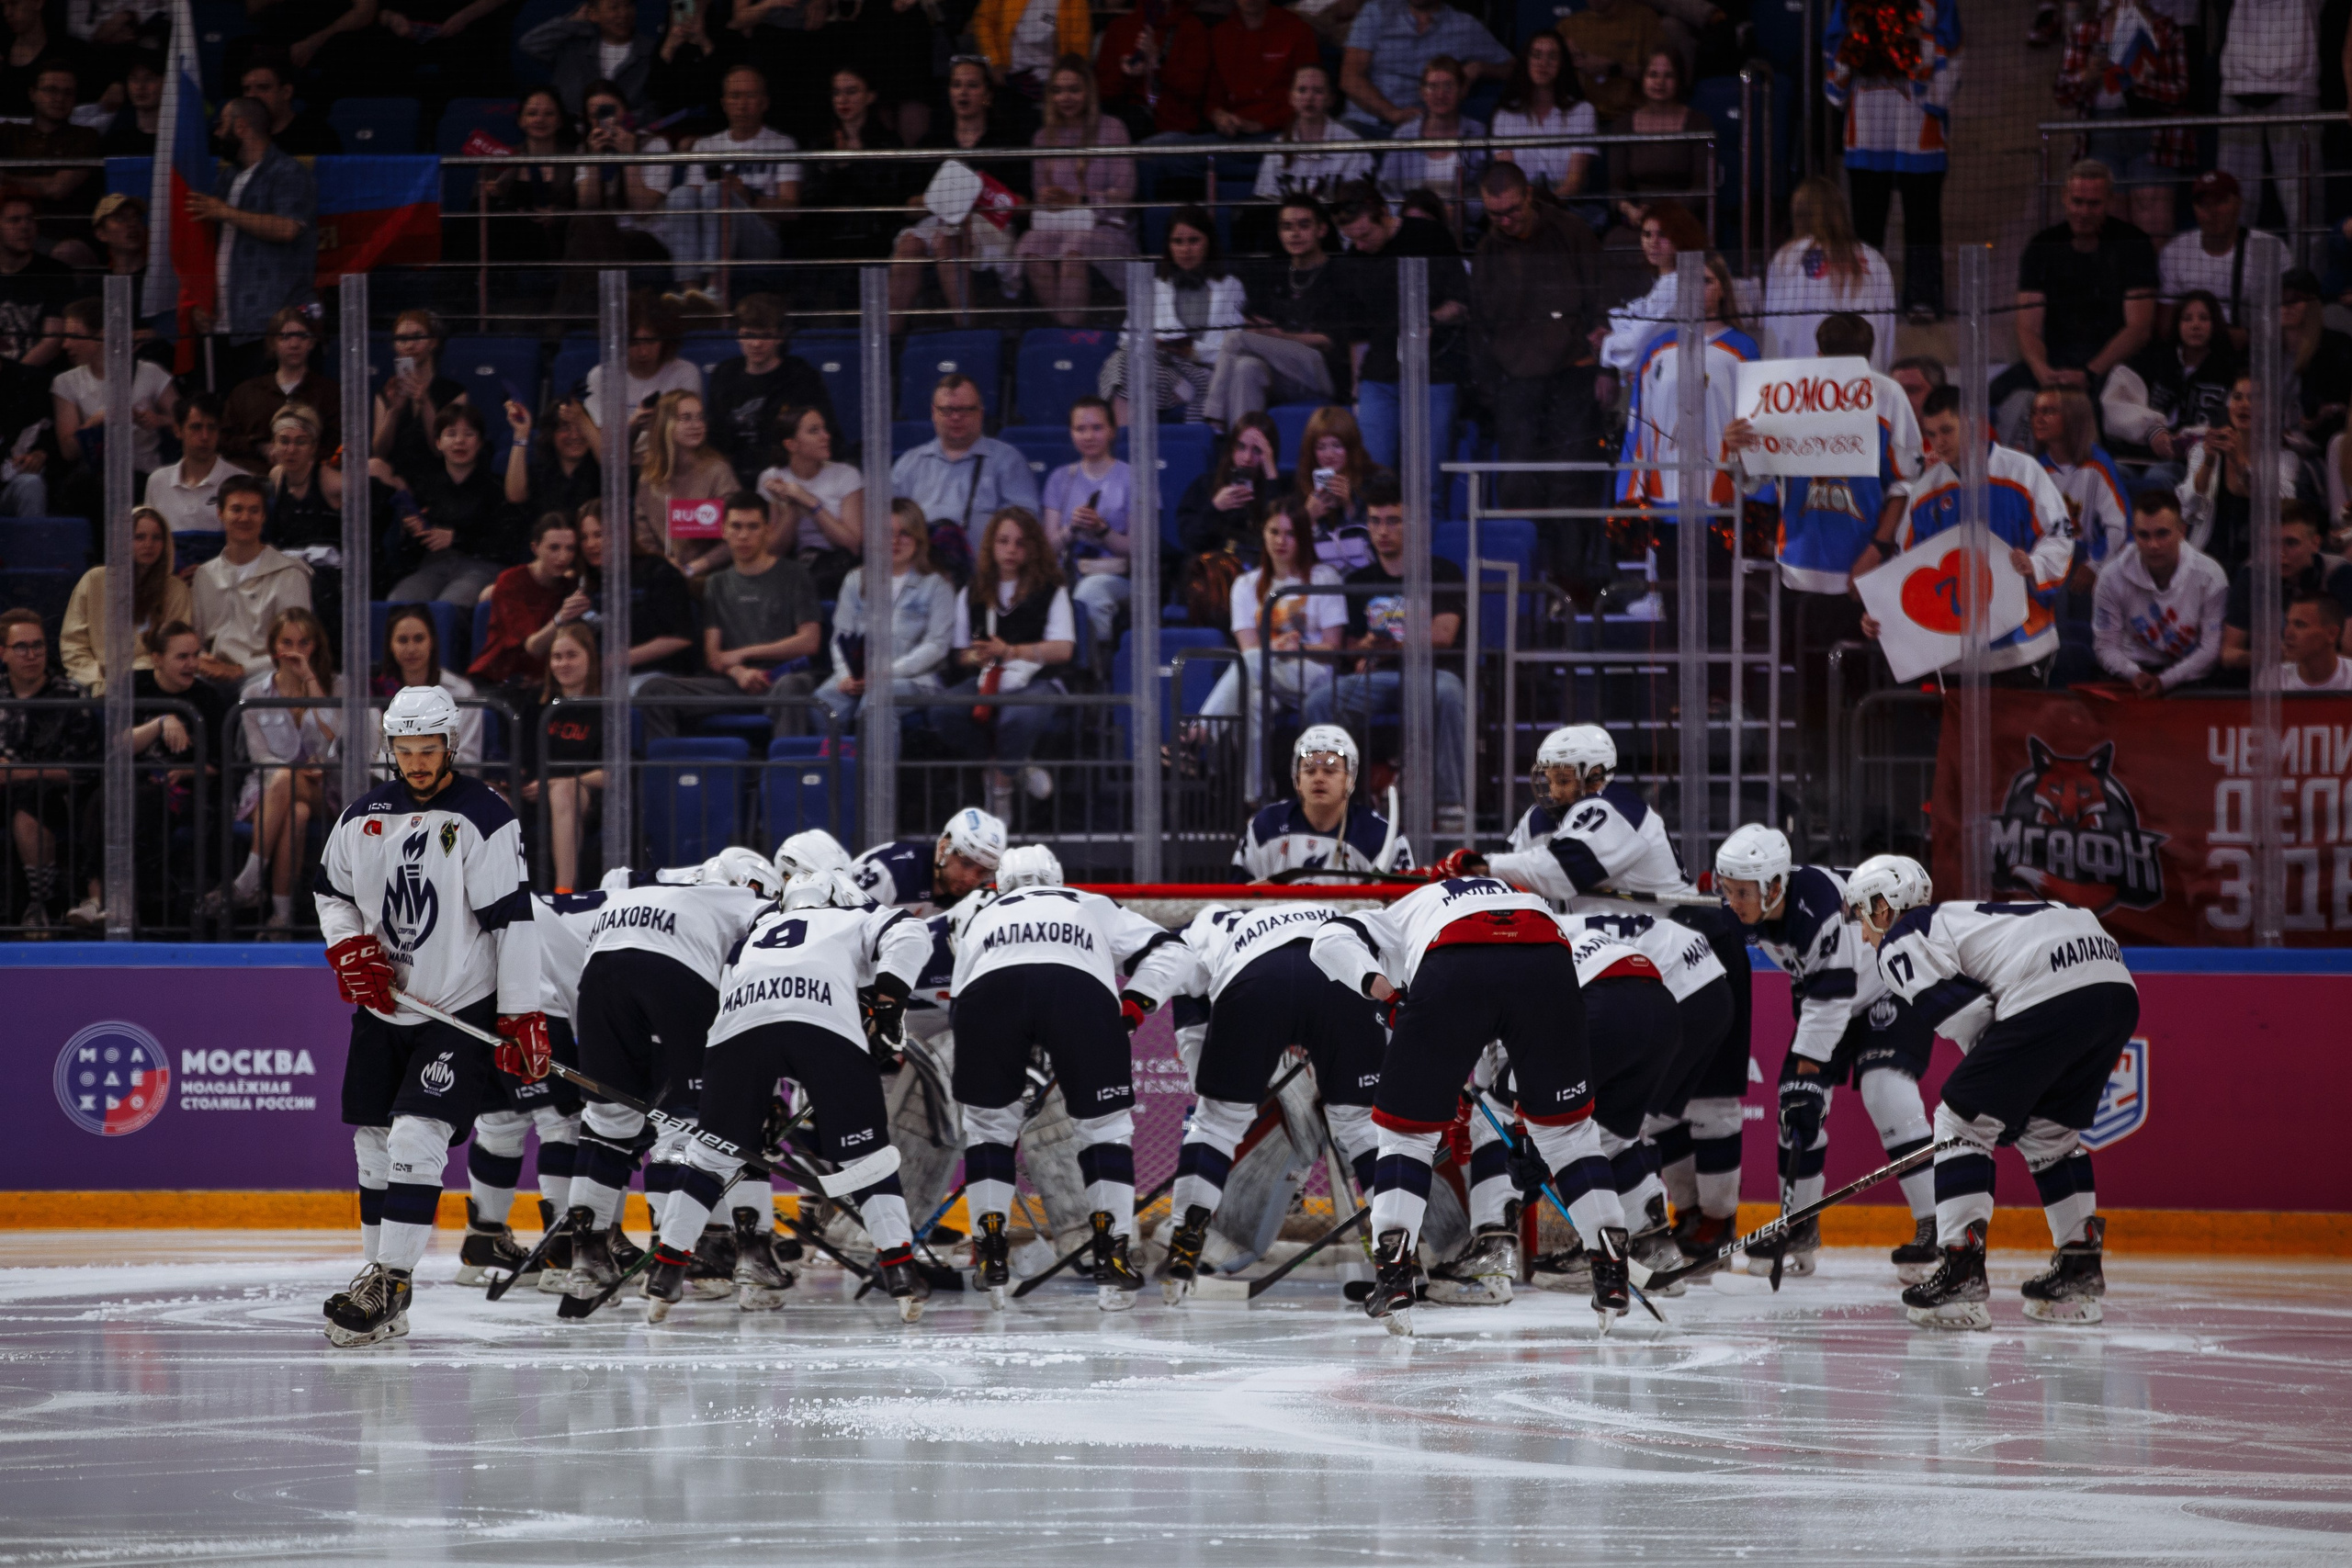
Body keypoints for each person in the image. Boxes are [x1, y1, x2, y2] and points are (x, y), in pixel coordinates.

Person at [1456, 721, 1747, 1267]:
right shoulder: (1537, 824)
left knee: (1519, 1104)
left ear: (1596, 776)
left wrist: (1482, 868)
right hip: (1651, 975)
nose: (1552, 789)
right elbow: (1530, 892)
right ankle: (1651, 1245)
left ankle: (1493, 1246)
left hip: (1666, 972)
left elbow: (1561, 873)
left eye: (1564, 777)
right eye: (1545, 777)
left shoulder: (1613, 806)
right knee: (1608, 1124)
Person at [313, 682, 544, 1346]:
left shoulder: (485, 815)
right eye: (405, 750)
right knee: (373, 1144)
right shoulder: (363, 816)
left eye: (428, 749)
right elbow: (331, 892)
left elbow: (513, 921)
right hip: (385, 1008)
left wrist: (521, 1015)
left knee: (417, 1134)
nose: (416, 762)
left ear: (452, 744)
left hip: (457, 1006)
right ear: (391, 747)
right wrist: (349, 945)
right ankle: (382, 1278)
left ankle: (391, 1280)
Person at [1308, 870, 1628, 1332]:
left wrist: (1386, 994)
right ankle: (1610, 1263)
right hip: (1548, 954)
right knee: (1568, 1134)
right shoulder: (1510, 894)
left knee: (1406, 1137)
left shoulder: (1400, 911)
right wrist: (1525, 1130)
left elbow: (1328, 940)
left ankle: (1395, 1274)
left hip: (1455, 955)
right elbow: (1505, 1046)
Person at [1848, 854, 2138, 1331]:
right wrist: (2015, 1100)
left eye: (1862, 916)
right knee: (2051, 1133)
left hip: (2051, 987)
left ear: (1882, 907)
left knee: (1960, 1120)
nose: (1863, 934)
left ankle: (1961, 1272)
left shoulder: (1901, 937)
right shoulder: (1957, 918)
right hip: (2113, 985)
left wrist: (2001, 1103)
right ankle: (2079, 1269)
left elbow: (1970, 1018)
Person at [645, 862, 934, 1319]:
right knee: (867, 1158)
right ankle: (899, 1270)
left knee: (710, 1157)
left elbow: (735, 1001)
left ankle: (666, 1270)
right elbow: (913, 934)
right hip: (821, 1023)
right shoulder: (851, 916)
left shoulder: (753, 937)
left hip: (736, 1030)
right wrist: (888, 999)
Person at [1123, 892, 1383, 1303]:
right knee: (1362, 1125)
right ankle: (1399, 1251)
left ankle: (1187, 1235)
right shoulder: (1334, 912)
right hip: (1337, 982)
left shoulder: (1199, 928)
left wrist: (1217, 1091)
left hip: (1256, 982)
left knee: (1215, 1124)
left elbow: (1193, 1019)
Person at [1713, 825, 1941, 1283]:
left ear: (1774, 886)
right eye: (1727, 890)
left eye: (1741, 892)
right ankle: (1798, 1225)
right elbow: (1823, 997)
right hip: (1829, 994)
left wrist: (1807, 1075)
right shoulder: (1751, 908)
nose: (1732, 901)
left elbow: (1831, 1002)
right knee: (1795, 1112)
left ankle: (1938, 1226)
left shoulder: (1816, 910)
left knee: (1885, 1090)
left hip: (1889, 985)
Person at [948, 843, 1171, 1311]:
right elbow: (1172, 950)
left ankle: (990, 1251)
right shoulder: (1086, 901)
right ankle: (1113, 1253)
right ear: (1056, 876)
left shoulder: (978, 913)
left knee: (988, 1127)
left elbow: (960, 987)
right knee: (1106, 1129)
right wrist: (1137, 1005)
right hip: (1077, 989)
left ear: (1000, 882)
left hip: (986, 992)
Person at [1861, 386, 2075, 681]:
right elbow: (1905, 566)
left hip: (2022, 644)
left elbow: (2059, 534)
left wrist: (2035, 565)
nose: (1939, 442)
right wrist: (1882, 615)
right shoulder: (1925, 491)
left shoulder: (2023, 472)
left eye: (1947, 430)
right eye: (1932, 434)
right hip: (1952, 654)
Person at [1295, 473, 1466, 828]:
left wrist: (1385, 647)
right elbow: (1348, 644)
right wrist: (1366, 648)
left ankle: (1450, 805)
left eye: (1392, 521)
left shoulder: (1442, 571)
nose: (1382, 531)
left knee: (1449, 692)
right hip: (1375, 677)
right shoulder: (1358, 581)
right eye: (1374, 521)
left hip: (1426, 674)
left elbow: (1444, 634)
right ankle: (1336, 804)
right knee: (1319, 702)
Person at [1728, 312, 1920, 599]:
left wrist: (1877, 549)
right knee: (1813, 644)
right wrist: (1737, 449)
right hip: (1797, 566)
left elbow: (1906, 484)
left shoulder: (1887, 395)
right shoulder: (1783, 394)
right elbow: (1753, 481)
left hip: (1864, 568)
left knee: (1841, 647)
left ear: (1818, 354)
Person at [1469, 162, 1600, 524]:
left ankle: (1571, 575)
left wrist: (1603, 367)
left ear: (1529, 195)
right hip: (1515, 380)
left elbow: (1599, 300)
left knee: (1570, 478)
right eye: (1495, 214)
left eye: (1512, 210)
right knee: (1517, 481)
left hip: (1573, 371)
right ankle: (1523, 569)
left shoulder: (1571, 231)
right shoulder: (1486, 251)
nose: (1506, 221)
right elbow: (1480, 323)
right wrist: (1490, 389)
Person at [1995, 161, 2159, 446]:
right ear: (2064, 198)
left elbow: (2139, 328)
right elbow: (2028, 326)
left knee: (2095, 413)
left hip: (2112, 365)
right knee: (1995, 394)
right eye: (2077, 202)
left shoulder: (2133, 244)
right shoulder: (2042, 247)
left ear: (2109, 201)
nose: (2083, 212)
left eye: (2093, 204)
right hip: (2055, 362)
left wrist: (2090, 373)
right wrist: (2042, 371)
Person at [639, 492, 822, 741]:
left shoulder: (795, 574)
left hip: (782, 677)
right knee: (653, 690)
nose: (744, 535)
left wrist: (746, 653)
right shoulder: (717, 583)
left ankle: (786, 774)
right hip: (733, 682)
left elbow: (809, 641)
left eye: (753, 527)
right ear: (723, 530)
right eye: (736, 526)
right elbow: (713, 656)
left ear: (768, 530)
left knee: (791, 686)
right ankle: (666, 775)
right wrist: (739, 671)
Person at [1824, 0, 1958, 324]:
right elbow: (1834, 48)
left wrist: (1915, 41)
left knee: (1922, 218)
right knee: (1867, 221)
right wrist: (1857, 45)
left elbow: (1953, 48)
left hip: (1917, 126)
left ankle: (1923, 296)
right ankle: (1866, 298)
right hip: (1868, 128)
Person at [1197, 498, 1345, 792]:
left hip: (1313, 674)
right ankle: (1257, 798)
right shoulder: (1245, 585)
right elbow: (1248, 647)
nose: (1281, 541)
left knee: (1250, 663)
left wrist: (1298, 649)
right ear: (1263, 535)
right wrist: (1278, 646)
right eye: (1274, 532)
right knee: (1253, 701)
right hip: (1267, 673)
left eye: (1290, 534)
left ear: (1303, 537)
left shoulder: (1323, 577)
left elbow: (1333, 648)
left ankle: (1199, 734)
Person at [933, 505, 1076, 806]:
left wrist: (1010, 651)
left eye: (1020, 543)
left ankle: (1000, 787)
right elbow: (960, 655)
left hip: (1038, 678)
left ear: (1033, 548)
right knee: (943, 712)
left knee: (1017, 716)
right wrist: (978, 657)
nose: (1011, 550)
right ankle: (1013, 766)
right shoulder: (972, 591)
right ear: (991, 545)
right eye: (1003, 541)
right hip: (987, 678)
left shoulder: (1051, 589)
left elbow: (1063, 649)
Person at [1327, 180, 1468, 477]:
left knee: (1429, 477)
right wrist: (1356, 394)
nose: (1361, 245)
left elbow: (1462, 302)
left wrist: (1430, 319)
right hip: (1379, 377)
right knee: (1374, 476)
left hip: (1434, 373)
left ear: (1383, 213)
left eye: (1366, 235)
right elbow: (1358, 336)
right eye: (1353, 239)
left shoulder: (1430, 236)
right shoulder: (1354, 261)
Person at [891, 58, 1030, 331]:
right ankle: (884, 343)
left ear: (988, 95)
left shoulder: (1007, 141)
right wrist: (940, 199)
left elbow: (1024, 204)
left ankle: (967, 333)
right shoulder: (931, 142)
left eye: (972, 86)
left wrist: (977, 198)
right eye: (957, 85)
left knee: (948, 240)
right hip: (940, 219)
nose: (963, 92)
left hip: (989, 226)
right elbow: (910, 207)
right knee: (909, 245)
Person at [187, 95, 315, 381]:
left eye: (222, 126)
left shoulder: (287, 172)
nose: (217, 134)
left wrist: (226, 212)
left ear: (241, 126)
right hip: (223, 320)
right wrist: (201, 301)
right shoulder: (228, 177)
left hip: (267, 322)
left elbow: (287, 228)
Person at [1614, 251, 1755, 513]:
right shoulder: (1656, 350)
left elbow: (1756, 426)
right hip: (1663, 498)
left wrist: (1760, 499)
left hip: (1724, 503)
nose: (1696, 289)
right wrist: (1629, 495)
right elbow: (1638, 427)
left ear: (1723, 289)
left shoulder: (1743, 349)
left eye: (1706, 281)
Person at [234, 605, 340, 933]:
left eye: (305, 642)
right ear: (274, 647)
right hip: (267, 790)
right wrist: (295, 773)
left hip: (326, 788)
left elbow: (336, 737)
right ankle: (281, 918)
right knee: (296, 812)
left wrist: (310, 679)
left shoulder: (337, 687)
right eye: (288, 642)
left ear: (316, 646)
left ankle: (249, 879)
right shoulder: (253, 693)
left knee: (291, 788)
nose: (296, 651)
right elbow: (259, 756)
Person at [1014, 56, 1137, 328]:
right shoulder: (1043, 137)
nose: (1065, 98)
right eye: (1057, 91)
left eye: (1073, 90)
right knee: (1031, 248)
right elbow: (1039, 197)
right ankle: (1067, 331)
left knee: (1074, 250)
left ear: (1089, 92)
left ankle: (1068, 334)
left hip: (1105, 227)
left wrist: (1080, 200)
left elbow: (1124, 195)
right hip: (1056, 225)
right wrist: (1045, 200)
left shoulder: (1112, 129)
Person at [1098, 206, 1247, 426]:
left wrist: (1192, 352)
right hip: (1159, 369)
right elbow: (1127, 340)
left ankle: (1181, 390)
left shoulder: (1230, 286)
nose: (1185, 249)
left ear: (1208, 243)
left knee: (1129, 368)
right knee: (1120, 361)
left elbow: (1232, 345)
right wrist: (1158, 348)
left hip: (1205, 372)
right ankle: (1124, 445)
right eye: (1178, 241)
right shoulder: (1151, 287)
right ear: (1169, 246)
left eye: (1193, 240)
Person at [662, 64, 800, 299]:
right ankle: (691, 292)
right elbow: (691, 196)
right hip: (710, 231)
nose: (742, 104)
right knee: (679, 195)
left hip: (760, 238)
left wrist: (747, 196)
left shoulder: (783, 144)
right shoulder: (705, 146)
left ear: (764, 103)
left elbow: (791, 210)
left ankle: (716, 287)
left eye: (750, 96)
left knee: (719, 191)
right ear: (724, 104)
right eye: (735, 96)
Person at [123, 619, 229, 929]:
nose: (192, 664)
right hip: (132, 785)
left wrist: (183, 771)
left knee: (148, 804)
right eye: (182, 657)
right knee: (106, 799)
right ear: (157, 658)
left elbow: (218, 764)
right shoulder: (134, 685)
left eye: (196, 655)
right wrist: (161, 721)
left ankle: (155, 908)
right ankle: (99, 900)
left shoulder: (208, 698)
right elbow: (118, 747)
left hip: (189, 793)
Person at [815, 498, 956, 729]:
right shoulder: (855, 580)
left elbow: (937, 646)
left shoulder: (937, 585)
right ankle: (842, 764)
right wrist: (845, 676)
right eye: (887, 533)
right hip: (861, 676)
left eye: (905, 534)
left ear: (918, 539)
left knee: (877, 702)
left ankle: (875, 767)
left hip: (917, 679)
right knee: (824, 704)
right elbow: (841, 636)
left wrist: (886, 673)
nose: (895, 541)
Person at [0, 605, 96, 931]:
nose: (32, 654)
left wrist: (17, 772)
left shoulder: (68, 697)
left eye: (38, 645)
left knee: (28, 801)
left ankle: (41, 904)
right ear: (3, 653)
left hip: (55, 797)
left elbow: (81, 771)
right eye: (21, 647)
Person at [1230, 722, 1411, 879]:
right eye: (1309, 770)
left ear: (1350, 779)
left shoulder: (1381, 835)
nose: (1319, 778)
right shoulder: (1265, 826)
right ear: (1297, 779)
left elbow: (1403, 909)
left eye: (1330, 770)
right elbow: (1238, 900)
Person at [2092, 491, 2229, 694]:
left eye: (2162, 534)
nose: (2153, 545)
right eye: (2143, 535)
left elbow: (2210, 650)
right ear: (2133, 533)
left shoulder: (2210, 576)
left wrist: (2165, 681)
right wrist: (2135, 674)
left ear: (2182, 531)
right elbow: (2105, 646)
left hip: (2190, 678)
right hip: (2131, 673)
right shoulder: (2111, 577)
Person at [889, 373, 1041, 553]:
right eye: (946, 410)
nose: (955, 418)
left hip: (985, 574)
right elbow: (886, 524)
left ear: (981, 413)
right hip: (922, 573)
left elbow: (1027, 524)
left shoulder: (1008, 461)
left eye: (965, 410)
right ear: (933, 413)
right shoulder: (909, 464)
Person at [383, 404, 516, 606]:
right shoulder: (426, 487)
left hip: (481, 566)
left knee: (448, 607)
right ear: (438, 442)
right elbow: (408, 552)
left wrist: (456, 538)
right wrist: (413, 531)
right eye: (451, 434)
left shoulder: (497, 487)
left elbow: (504, 544)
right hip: (433, 565)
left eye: (468, 434)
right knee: (399, 603)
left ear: (480, 442)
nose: (459, 441)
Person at [2179, 375, 2315, 568]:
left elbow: (2282, 506)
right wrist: (2209, 463)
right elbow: (2188, 508)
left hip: (2261, 561)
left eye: (2254, 399)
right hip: (2208, 557)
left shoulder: (2284, 459)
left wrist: (2239, 462)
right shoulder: (2203, 451)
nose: (2244, 405)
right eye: (2237, 397)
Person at [2212, 0, 2318, 243]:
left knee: (2302, 203)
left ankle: (2308, 277)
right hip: (2238, 83)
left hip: (2297, 83)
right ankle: (2232, 276)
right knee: (2233, 199)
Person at [1763, 175, 1896, 367]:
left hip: (1803, 380)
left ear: (1799, 214)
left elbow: (1774, 329)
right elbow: (1887, 331)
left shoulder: (1788, 258)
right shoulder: (1874, 259)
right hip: (1862, 376)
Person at [191, 474, 312, 683]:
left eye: (254, 510)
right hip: (213, 673)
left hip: (267, 673)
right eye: (237, 509)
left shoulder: (289, 574)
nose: (245, 518)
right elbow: (197, 640)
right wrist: (203, 660)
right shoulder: (205, 575)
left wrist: (240, 670)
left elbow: (297, 648)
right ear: (220, 513)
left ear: (264, 516)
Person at [2101, 288, 2237, 475]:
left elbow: (2229, 425)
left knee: (2160, 474)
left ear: (2215, 324)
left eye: (2204, 318)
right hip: (2140, 457)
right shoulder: (2153, 361)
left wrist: (2185, 441)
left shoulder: (2229, 370)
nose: (2195, 325)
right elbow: (2116, 403)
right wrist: (2152, 431)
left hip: (2199, 465)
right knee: (2112, 471)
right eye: (2187, 319)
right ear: (2177, 324)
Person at [59, 505, 190, 694]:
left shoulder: (176, 589)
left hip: (148, 680)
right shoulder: (94, 580)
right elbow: (73, 644)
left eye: (156, 537)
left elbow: (175, 648)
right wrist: (96, 681)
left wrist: (129, 679)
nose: (148, 544)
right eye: (139, 537)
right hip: (91, 681)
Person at [1039, 396, 1132, 649]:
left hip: (1117, 575)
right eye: (1080, 429)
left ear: (1112, 431)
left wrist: (1101, 530)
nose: (1088, 436)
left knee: (1091, 592)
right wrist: (1072, 529)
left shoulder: (1132, 477)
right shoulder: (1060, 478)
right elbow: (1047, 550)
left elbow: (1138, 549)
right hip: (1067, 572)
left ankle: (1095, 668)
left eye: (1097, 428)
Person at [575, 500, 700, 687]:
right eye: (584, 538)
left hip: (655, 676)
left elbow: (680, 638)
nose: (591, 544)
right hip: (600, 678)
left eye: (599, 535)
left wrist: (614, 662)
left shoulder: (658, 571)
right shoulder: (586, 583)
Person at [703, 294, 830, 477]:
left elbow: (820, 434)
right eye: (749, 335)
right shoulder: (724, 375)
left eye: (765, 335)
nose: (756, 343)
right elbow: (715, 439)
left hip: (788, 474)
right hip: (734, 475)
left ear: (780, 336)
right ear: (738, 335)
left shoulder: (800, 376)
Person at [1339, 0, 1510, 132]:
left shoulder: (1464, 26)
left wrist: (1481, 67)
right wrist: (1393, 114)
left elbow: (1515, 67)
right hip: (1362, 125)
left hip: (1419, 131)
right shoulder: (1376, 12)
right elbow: (1350, 78)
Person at [2157, 172, 2287, 345]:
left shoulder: (2270, 247)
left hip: (2251, 351)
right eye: (2204, 205)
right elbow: (2166, 325)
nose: (2213, 212)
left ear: (2239, 203)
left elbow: (2288, 317)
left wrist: (2246, 337)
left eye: (2221, 202)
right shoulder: (2176, 250)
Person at [51, 293, 171, 480]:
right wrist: (97, 421)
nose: (65, 345)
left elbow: (184, 422)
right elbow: (68, 451)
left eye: (74, 336)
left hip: (146, 476)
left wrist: (159, 420)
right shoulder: (66, 382)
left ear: (101, 336)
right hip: (95, 480)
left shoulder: (150, 372)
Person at [2218, 507, 2352, 671]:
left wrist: (2310, 660)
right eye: (2271, 543)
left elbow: (2350, 651)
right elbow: (2228, 654)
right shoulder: (2251, 575)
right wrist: (2274, 656)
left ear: (2315, 543)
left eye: (2291, 543)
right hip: (2270, 681)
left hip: (2328, 682)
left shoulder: (2338, 572)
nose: (2280, 553)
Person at [526, 621, 605, 892]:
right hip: (532, 794)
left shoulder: (604, 708)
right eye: (557, 657)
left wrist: (551, 783)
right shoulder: (536, 705)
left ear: (590, 659)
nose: (563, 664)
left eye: (572, 655)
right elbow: (519, 760)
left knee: (562, 790)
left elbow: (612, 771)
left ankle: (564, 892)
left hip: (584, 796)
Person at [756, 403, 862, 599]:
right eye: (814, 431)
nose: (826, 436)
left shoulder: (846, 475)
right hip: (796, 563)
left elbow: (852, 545)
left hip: (838, 565)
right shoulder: (771, 479)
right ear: (791, 444)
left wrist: (810, 502)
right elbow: (771, 550)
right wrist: (792, 506)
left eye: (824, 429)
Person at [1600, 49, 1710, 235]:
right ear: (1642, 79)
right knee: (1615, 241)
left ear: (1679, 81)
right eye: (1653, 74)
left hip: (1683, 219)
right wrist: (1630, 210)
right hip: (1639, 220)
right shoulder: (1622, 126)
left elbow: (1701, 188)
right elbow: (1616, 188)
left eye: (1668, 76)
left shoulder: (1698, 123)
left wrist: (1664, 213)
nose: (1659, 82)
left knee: (1690, 251)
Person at [634, 389, 741, 581]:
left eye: (700, 418)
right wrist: (666, 564)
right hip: (665, 577)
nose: (697, 425)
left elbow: (736, 536)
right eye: (686, 418)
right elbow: (645, 541)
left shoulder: (718, 472)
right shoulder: (649, 479)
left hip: (714, 577)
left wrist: (692, 568)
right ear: (665, 424)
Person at [259, 403, 343, 638]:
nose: (291, 449)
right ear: (274, 445)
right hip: (287, 565)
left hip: (326, 571)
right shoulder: (276, 476)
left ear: (313, 447)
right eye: (284, 441)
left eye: (300, 442)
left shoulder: (330, 481)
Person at [470, 512, 580, 691]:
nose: (563, 557)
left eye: (570, 549)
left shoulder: (569, 586)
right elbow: (533, 647)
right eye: (554, 548)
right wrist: (562, 618)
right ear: (535, 548)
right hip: (499, 680)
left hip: (545, 683)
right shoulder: (511, 581)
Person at [576, 291, 701, 448]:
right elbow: (601, 447)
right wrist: (633, 427)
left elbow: (689, 438)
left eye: (651, 341)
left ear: (666, 339)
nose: (643, 352)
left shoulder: (685, 373)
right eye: (634, 342)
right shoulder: (601, 377)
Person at [1249, 64, 1375, 219]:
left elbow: (1361, 205)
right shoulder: (1278, 147)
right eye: (1302, 90)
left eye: (1318, 91)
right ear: (1291, 97)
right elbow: (1265, 200)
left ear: (1331, 99)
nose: (1309, 97)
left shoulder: (1351, 145)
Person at [2031, 384, 2132, 578]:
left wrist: (2093, 565)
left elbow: (2118, 528)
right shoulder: (2036, 469)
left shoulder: (2098, 464)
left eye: (2048, 411)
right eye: (2034, 412)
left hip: (2096, 560)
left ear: (2073, 417)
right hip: (2054, 559)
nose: (2039, 419)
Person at [1379, 55, 1488, 231]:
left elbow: (1487, 192)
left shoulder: (1478, 133)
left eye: (1448, 86)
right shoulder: (1404, 135)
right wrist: (1411, 216)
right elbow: (1386, 192)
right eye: (1433, 87)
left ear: (1462, 90)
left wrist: (1462, 209)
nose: (1440, 94)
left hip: (1464, 233)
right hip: (1412, 232)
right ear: (1422, 92)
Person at [220, 305, 337, 467]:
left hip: (310, 480)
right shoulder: (246, 393)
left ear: (311, 342)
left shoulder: (329, 393)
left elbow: (338, 445)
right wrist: (259, 447)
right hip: (254, 479)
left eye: (302, 336)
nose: (294, 344)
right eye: (285, 337)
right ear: (272, 343)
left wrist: (301, 455)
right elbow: (223, 441)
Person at [368, 603, 483, 768]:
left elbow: (469, 762)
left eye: (419, 639)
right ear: (390, 646)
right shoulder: (376, 693)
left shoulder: (461, 692)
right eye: (402, 640)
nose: (411, 649)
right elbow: (370, 758)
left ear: (432, 642)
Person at [1490, 30, 1597, 205]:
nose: (1543, 63)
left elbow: (1574, 183)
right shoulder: (1505, 115)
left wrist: (1543, 210)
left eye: (1552, 57)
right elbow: (1507, 179)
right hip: (1518, 209)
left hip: (1566, 209)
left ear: (1563, 64)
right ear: (1526, 61)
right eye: (1536, 55)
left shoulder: (1583, 111)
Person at [482, 86, 581, 274]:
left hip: (556, 241)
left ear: (560, 121)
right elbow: (477, 208)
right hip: (505, 242)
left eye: (549, 114)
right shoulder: (500, 158)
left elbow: (590, 208)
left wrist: (559, 215)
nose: (540, 120)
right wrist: (490, 196)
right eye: (532, 113)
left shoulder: (576, 159)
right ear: (521, 120)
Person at [369, 308, 468, 495]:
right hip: (394, 478)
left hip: (437, 477)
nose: (409, 345)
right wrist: (394, 412)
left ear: (433, 342)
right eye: (402, 339)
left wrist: (426, 403)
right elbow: (379, 452)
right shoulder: (386, 393)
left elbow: (441, 451)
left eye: (417, 337)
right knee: (374, 468)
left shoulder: (454, 393)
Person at [0, 62, 100, 243]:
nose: (59, 98)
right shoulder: (8, 133)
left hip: (61, 235)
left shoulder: (86, 137)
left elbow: (57, 188)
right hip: (8, 233)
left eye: (67, 93)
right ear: (33, 94)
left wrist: (6, 179)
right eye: (51, 90)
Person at [850, 804, 1007, 913]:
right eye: (966, 863)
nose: (971, 878)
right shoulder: (891, 872)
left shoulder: (978, 897)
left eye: (982, 872)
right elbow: (844, 926)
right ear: (944, 846)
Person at [141, 393, 240, 567]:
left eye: (212, 428)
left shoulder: (240, 480)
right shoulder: (157, 481)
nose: (204, 436)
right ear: (178, 430)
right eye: (196, 427)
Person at [1204, 0, 1319, 141]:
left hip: (1283, 133)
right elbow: (1212, 96)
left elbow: (1313, 96)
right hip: (1232, 135)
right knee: (1173, 145)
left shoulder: (1297, 30)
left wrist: (1264, 124)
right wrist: (1218, 115)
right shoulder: (1219, 34)